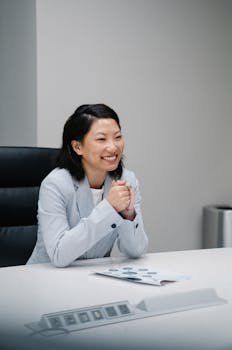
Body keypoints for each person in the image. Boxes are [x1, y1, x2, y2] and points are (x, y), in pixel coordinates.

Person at [27, 104, 148, 267]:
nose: (113, 147)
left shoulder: (126, 179)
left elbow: (136, 251)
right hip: (46, 276)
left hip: (95, 275)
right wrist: (109, 208)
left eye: (117, 137)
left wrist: (128, 215)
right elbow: (59, 255)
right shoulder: (55, 184)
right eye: (101, 139)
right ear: (77, 146)